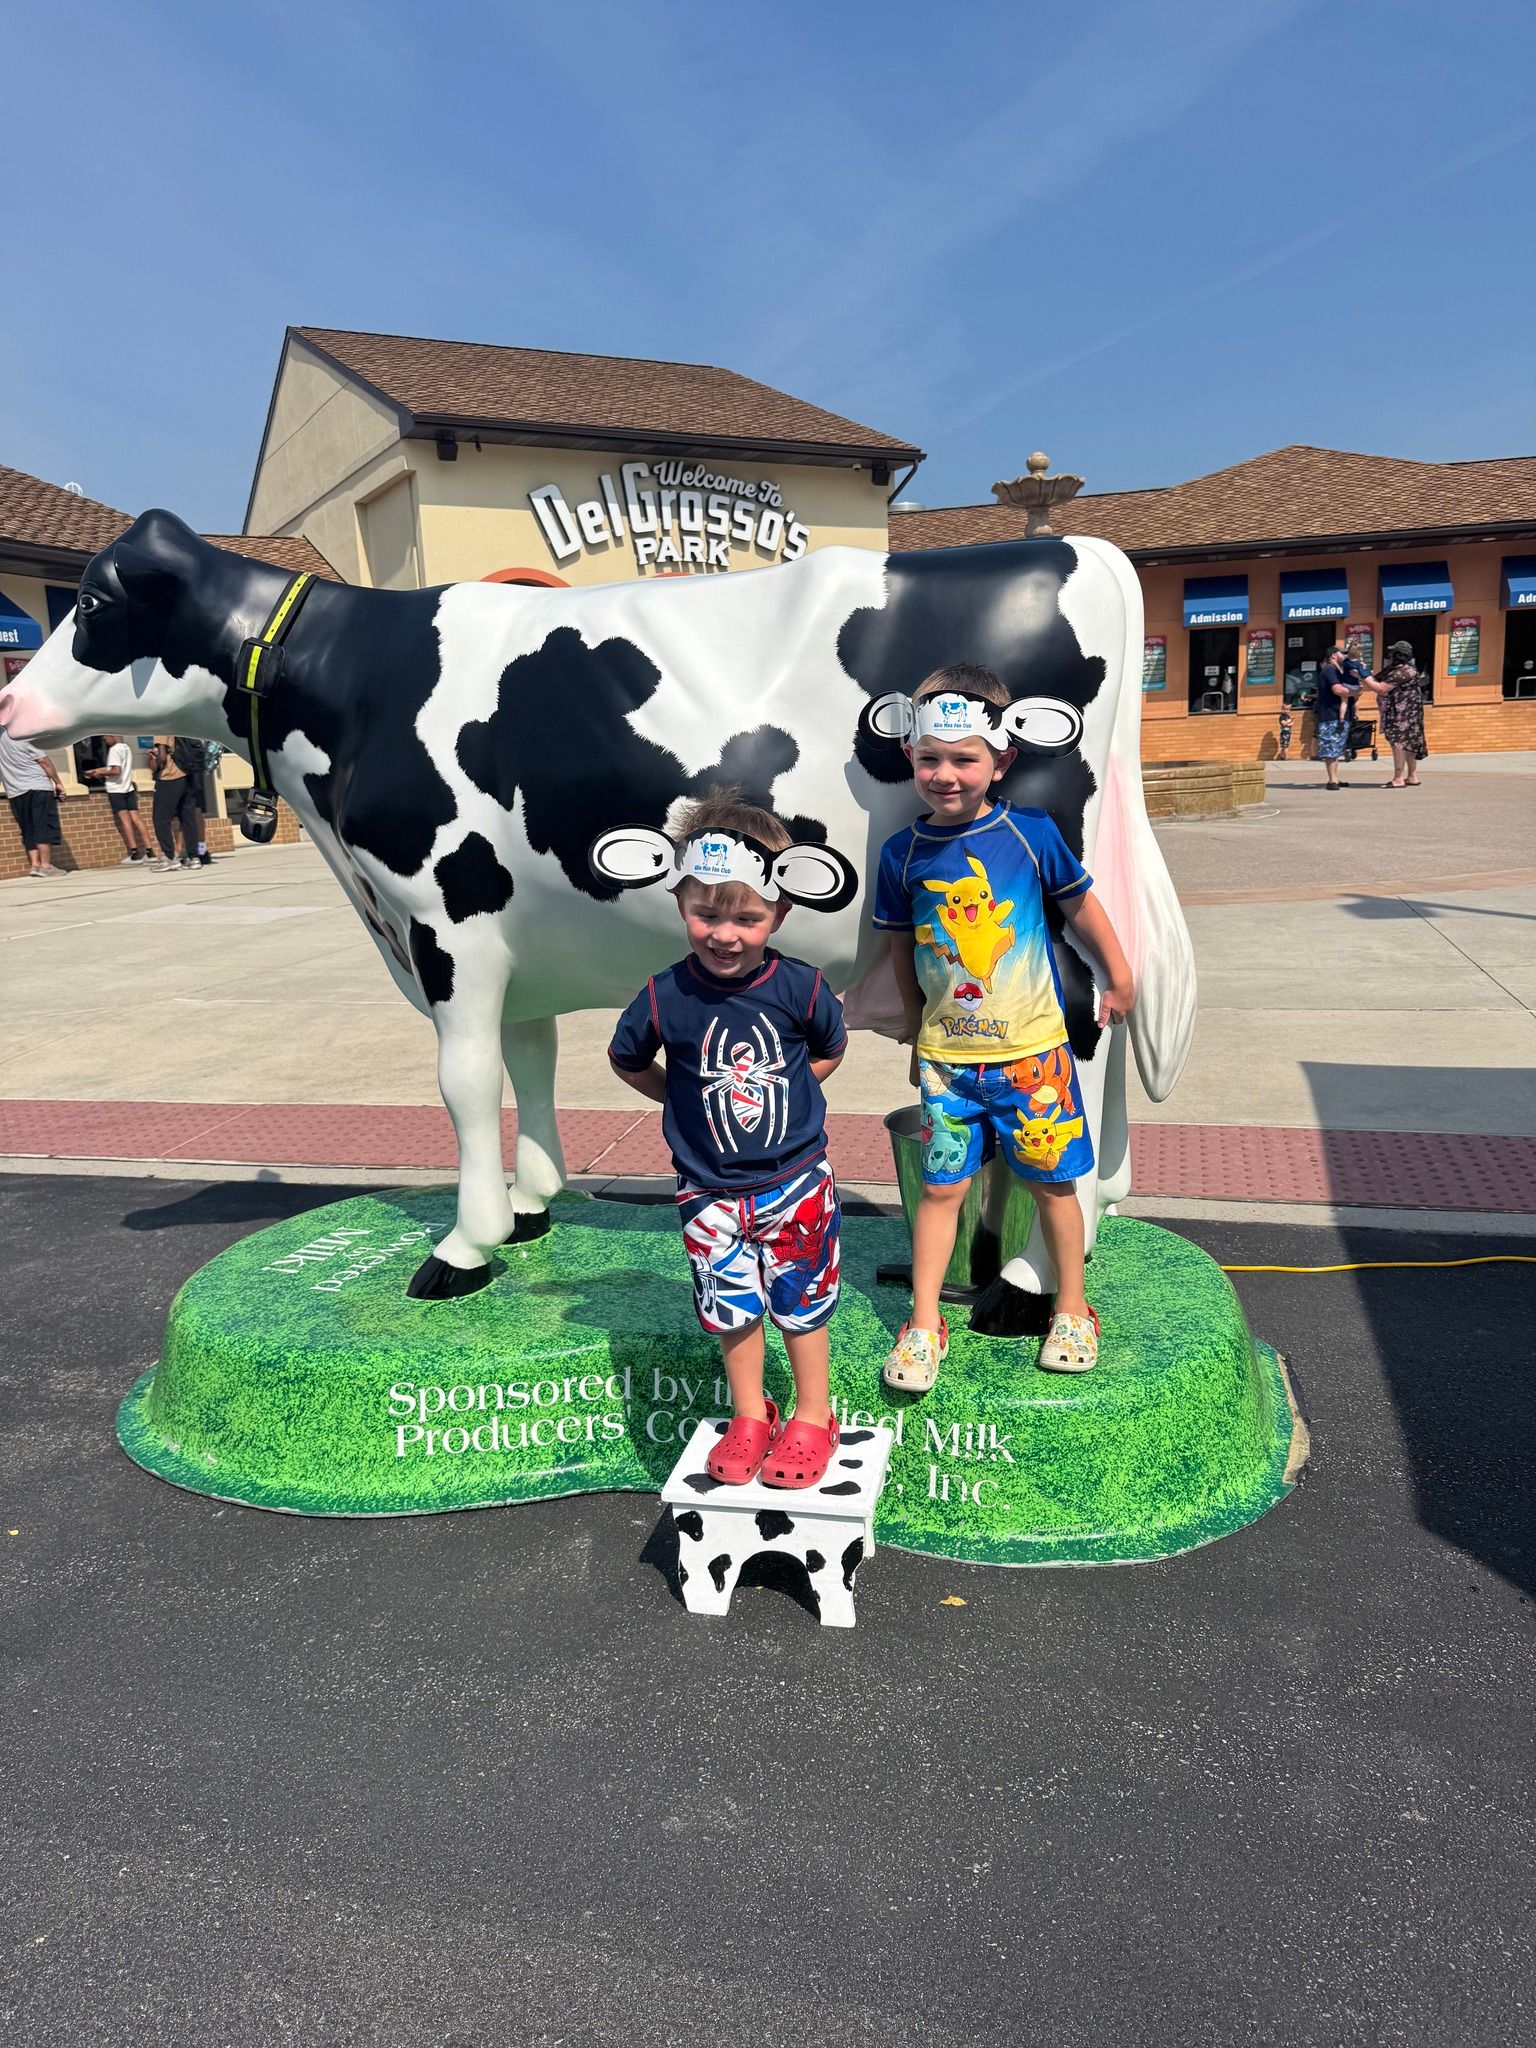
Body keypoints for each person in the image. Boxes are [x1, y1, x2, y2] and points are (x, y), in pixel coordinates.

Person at [873, 664, 1135, 1385]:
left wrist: (1119, 973)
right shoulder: (901, 854)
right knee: (940, 1191)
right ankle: (925, 1322)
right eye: (930, 759)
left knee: (1056, 1186)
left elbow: (1080, 905)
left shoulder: (1031, 832)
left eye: (964, 759)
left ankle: (1072, 1308)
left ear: (1001, 760)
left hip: (1035, 1059)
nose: (945, 775)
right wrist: (914, 1029)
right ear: (910, 756)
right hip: (947, 1065)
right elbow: (902, 950)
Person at [608, 790, 849, 1488]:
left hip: (796, 1183)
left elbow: (829, 1048)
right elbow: (626, 1058)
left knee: (801, 1305)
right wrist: (681, 1097)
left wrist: (790, 1090)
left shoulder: (801, 988)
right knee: (730, 1310)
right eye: (706, 914)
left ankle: (813, 1415)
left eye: (748, 918)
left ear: (781, 912)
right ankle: (750, 1414)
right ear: (679, 900)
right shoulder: (665, 995)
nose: (725, 935)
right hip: (707, 1194)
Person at [0, 726, 66, 876]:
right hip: (38, 787)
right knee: (42, 825)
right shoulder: (24, 734)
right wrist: (58, 782)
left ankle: (35, 865)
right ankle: (46, 866)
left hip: (15, 791)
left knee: (27, 827)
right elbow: (43, 761)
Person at [1363, 640, 1428, 788]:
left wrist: (1363, 676)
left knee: (1398, 742)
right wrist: (1363, 673)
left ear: (1399, 655)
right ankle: (1412, 776)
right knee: (1409, 742)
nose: (1390, 655)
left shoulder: (1402, 671)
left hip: (1402, 713)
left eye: (1393, 653)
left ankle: (1398, 778)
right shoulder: (1400, 669)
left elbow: (1381, 688)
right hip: (1410, 712)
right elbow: (1376, 679)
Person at [82, 734, 151, 862]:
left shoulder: (114, 750)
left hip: (116, 789)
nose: (104, 739)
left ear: (112, 735)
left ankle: (135, 853)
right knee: (136, 818)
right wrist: (98, 770)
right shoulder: (126, 748)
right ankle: (150, 852)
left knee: (125, 820)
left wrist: (99, 773)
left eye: (105, 736)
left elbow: (116, 771)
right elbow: (115, 768)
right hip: (128, 787)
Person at [148, 735, 201, 871]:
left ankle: (169, 857)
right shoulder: (181, 728)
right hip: (189, 776)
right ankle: (194, 857)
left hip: (170, 777)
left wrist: (154, 758)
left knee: (160, 818)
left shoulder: (162, 728)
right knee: (188, 818)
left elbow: (162, 758)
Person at [1312, 645, 1358, 790]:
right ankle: (1332, 780)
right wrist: (1354, 692)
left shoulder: (1340, 671)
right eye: (1342, 653)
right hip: (1331, 715)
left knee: (1336, 748)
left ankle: (1335, 779)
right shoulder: (1330, 670)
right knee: (1331, 748)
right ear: (1333, 656)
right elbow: (1337, 690)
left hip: (1340, 716)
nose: (1345, 656)